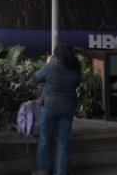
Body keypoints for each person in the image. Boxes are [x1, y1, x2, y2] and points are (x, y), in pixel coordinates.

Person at [32, 44, 82, 175]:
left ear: (56, 55)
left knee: (45, 140)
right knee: (63, 142)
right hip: (67, 109)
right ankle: (61, 172)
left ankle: (41, 171)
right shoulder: (75, 69)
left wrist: (47, 63)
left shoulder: (51, 66)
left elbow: (36, 78)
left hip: (49, 107)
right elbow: (78, 83)